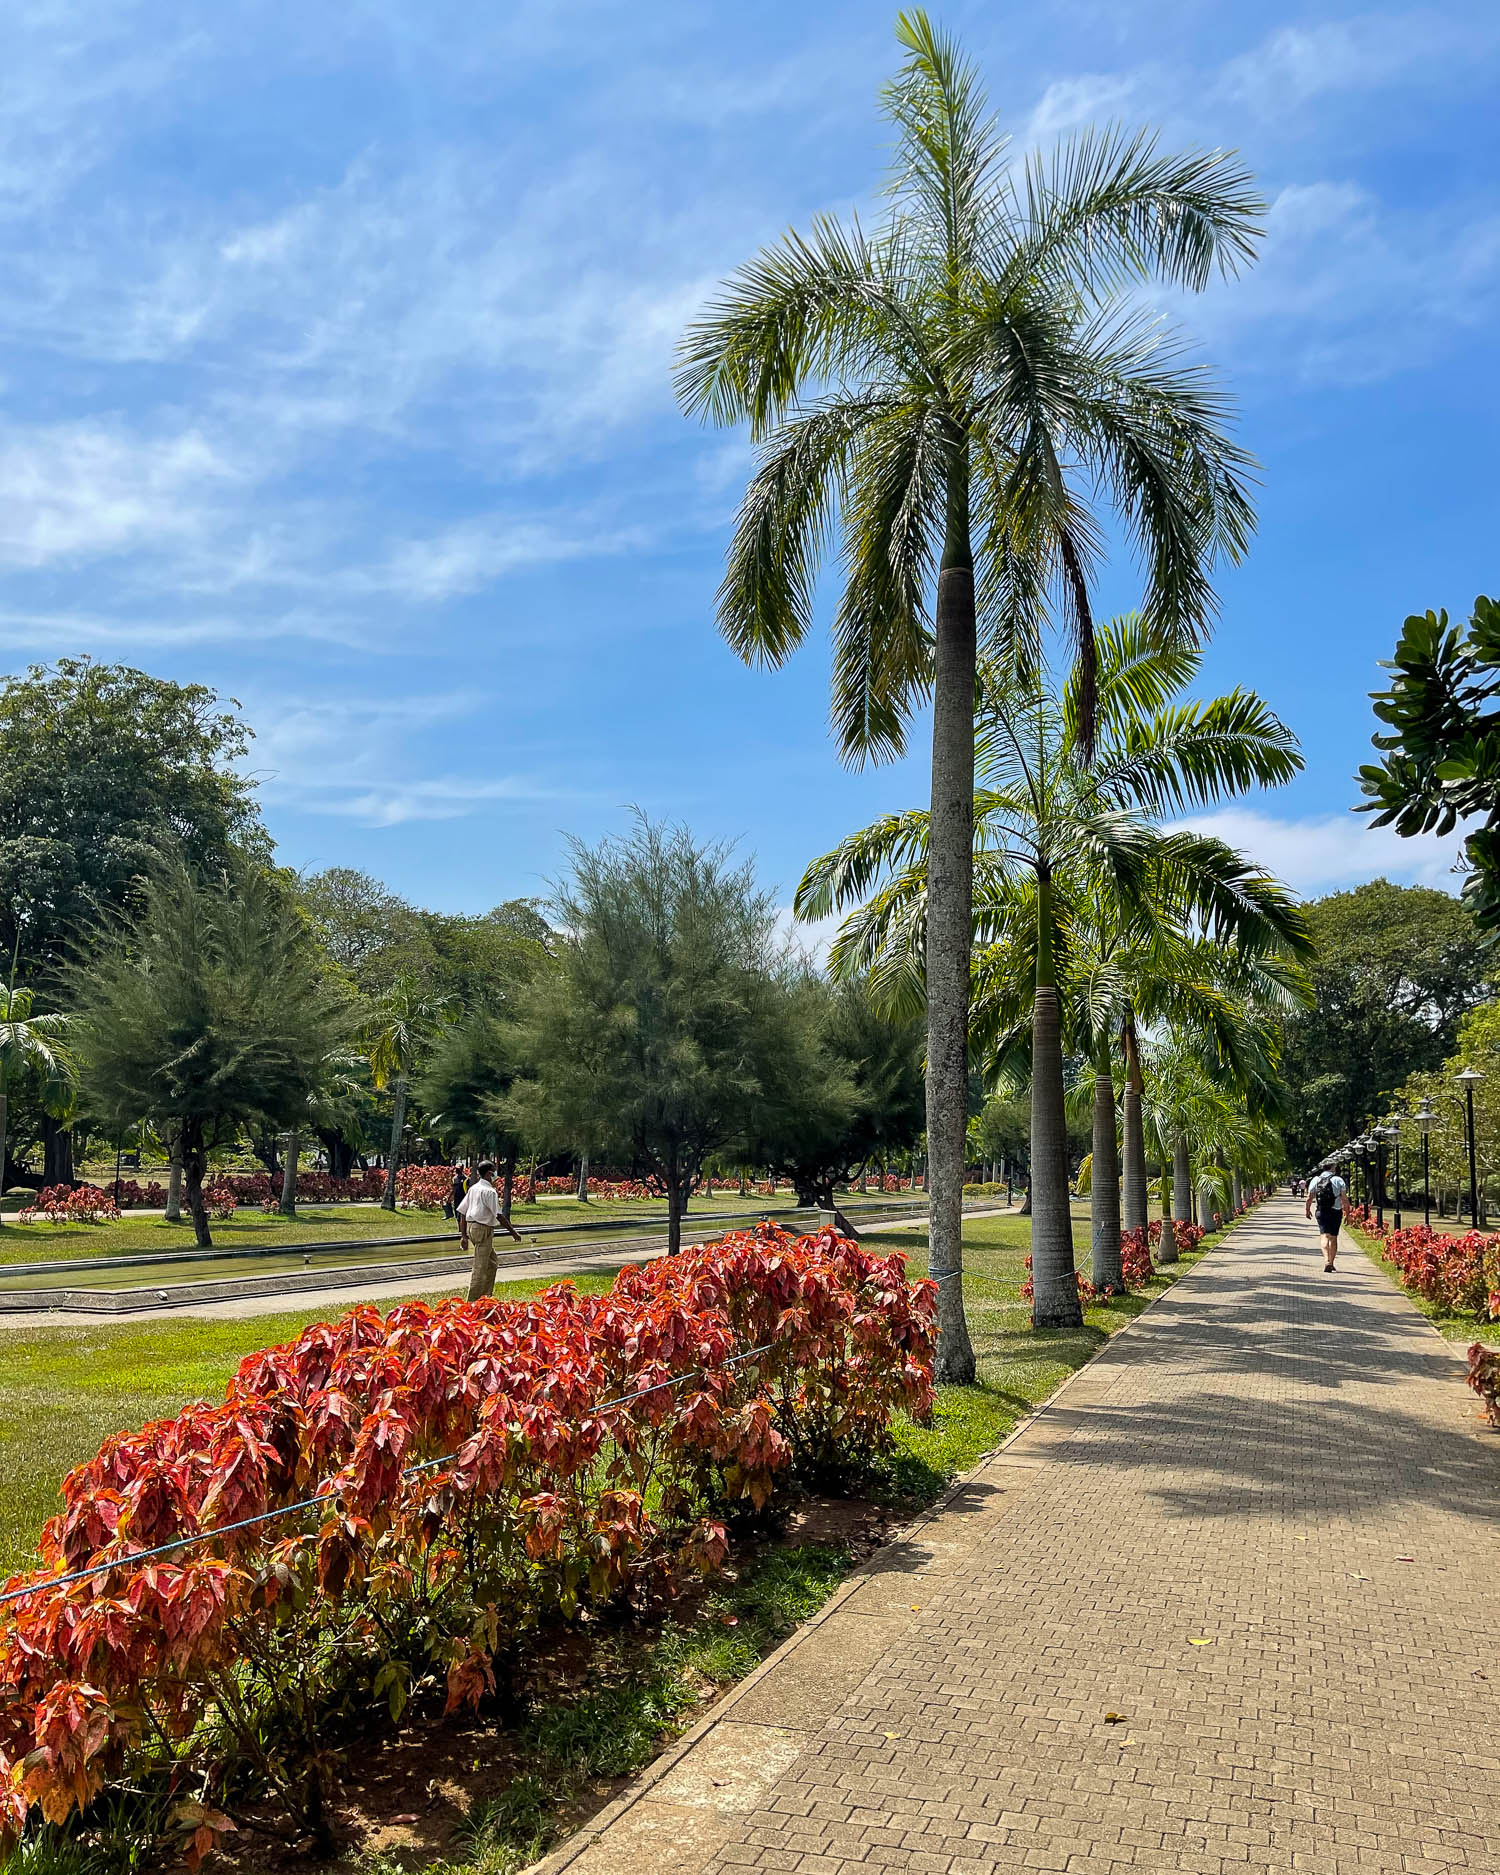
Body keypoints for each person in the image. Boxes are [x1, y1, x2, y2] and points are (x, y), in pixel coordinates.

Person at [1304, 1165, 1347, 1272]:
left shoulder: (1316, 1180)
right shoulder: (1338, 1180)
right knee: (1333, 1237)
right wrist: (1348, 1213)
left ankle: (1326, 1261)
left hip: (1321, 1211)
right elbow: (1344, 1198)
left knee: (1324, 1236)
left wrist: (1307, 1210)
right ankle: (1331, 1263)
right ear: (1332, 1168)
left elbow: (1310, 1197)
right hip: (1336, 1212)